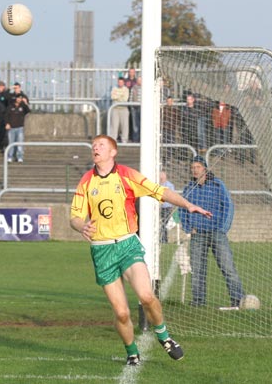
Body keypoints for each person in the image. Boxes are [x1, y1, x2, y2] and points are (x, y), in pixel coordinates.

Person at [70, 135, 212, 366]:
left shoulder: (127, 175)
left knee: (146, 296)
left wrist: (188, 205)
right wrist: (81, 226)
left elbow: (161, 192)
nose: (96, 148)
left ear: (113, 152)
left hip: (127, 244)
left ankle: (164, 337)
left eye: (101, 145)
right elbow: (74, 217)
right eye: (94, 145)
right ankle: (132, 352)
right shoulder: (86, 181)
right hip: (101, 250)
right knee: (122, 313)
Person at [179, 155, 245, 308]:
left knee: (227, 267)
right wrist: (188, 228)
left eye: (198, 167)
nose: (195, 170)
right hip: (198, 234)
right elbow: (183, 208)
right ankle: (198, 302)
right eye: (192, 167)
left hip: (216, 232)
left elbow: (228, 206)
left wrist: (223, 228)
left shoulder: (218, 185)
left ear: (205, 169)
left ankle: (238, 299)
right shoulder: (189, 188)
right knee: (197, 270)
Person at [5, 93, 31, 163]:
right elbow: (6, 115)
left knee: (20, 144)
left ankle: (20, 157)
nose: (19, 99)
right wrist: (7, 123)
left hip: (20, 127)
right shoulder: (10, 106)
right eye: (18, 98)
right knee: (11, 143)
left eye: (20, 98)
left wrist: (25, 103)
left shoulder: (23, 106)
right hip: (11, 128)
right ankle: (10, 157)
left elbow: (28, 111)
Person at [109, 77, 130, 143]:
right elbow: (112, 97)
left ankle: (124, 140)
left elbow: (125, 99)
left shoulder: (126, 89)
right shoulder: (114, 88)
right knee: (114, 125)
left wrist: (117, 97)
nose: (120, 83)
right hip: (115, 109)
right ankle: (113, 139)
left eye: (121, 82)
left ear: (123, 82)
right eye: (119, 82)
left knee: (124, 125)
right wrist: (120, 96)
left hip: (124, 109)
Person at [161, 96, 180, 165]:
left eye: (170, 101)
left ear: (172, 102)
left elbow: (178, 119)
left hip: (172, 129)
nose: (169, 102)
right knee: (165, 143)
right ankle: (165, 158)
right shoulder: (163, 109)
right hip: (165, 128)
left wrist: (175, 126)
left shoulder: (175, 110)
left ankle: (169, 158)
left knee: (171, 142)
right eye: (168, 101)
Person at [159, 171, 175, 243]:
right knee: (161, 223)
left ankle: (164, 239)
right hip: (159, 208)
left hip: (167, 208)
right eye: (160, 175)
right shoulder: (158, 185)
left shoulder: (170, 185)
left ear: (165, 176)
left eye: (162, 175)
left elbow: (172, 196)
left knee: (164, 223)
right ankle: (162, 239)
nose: (161, 177)